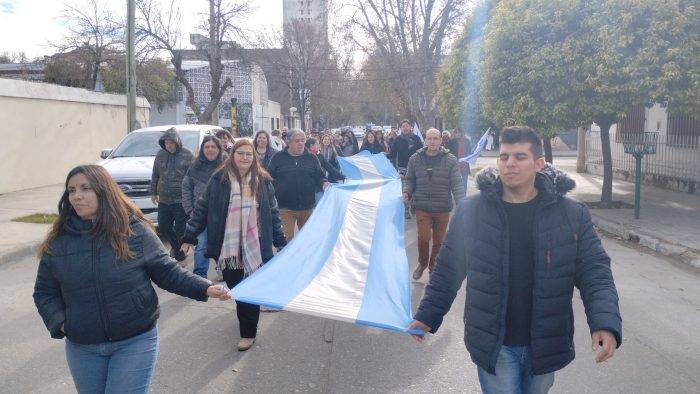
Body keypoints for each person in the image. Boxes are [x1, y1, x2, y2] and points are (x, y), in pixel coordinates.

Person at [408, 126, 622, 394]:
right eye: (504, 156)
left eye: (520, 156)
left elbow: (595, 272)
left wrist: (604, 322)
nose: (509, 163)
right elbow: (448, 270)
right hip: (495, 342)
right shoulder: (472, 212)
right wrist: (428, 314)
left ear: (539, 163)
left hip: (545, 340)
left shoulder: (571, 215)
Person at [33, 165, 229, 393]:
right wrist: (62, 323)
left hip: (134, 341)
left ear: (103, 191)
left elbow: (168, 271)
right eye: (71, 190)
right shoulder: (59, 241)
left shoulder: (134, 231)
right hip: (82, 346)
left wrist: (205, 287)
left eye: (85, 188)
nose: (77, 196)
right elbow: (44, 292)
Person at [181, 139, 287, 351]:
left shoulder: (263, 181)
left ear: (254, 157)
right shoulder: (219, 180)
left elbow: (272, 213)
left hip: (256, 245)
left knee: (250, 288)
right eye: (241, 153)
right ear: (233, 155)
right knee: (237, 287)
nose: (245, 157)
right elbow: (202, 208)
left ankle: (248, 333)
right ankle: (245, 313)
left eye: (249, 154)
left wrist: (280, 240)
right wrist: (188, 237)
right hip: (228, 247)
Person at [404, 128, 465, 280]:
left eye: (435, 138)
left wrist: (462, 203)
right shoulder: (415, 159)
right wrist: (407, 192)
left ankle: (433, 268)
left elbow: (457, 183)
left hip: (442, 207)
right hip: (422, 206)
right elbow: (410, 179)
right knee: (424, 237)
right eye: (429, 138)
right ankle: (422, 263)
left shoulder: (450, 159)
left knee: (439, 241)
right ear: (425, 140)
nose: (432, 141)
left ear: (440, 140)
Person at [267, 129, 328, 240]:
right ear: (289, 142)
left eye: (302, 141)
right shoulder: (277, 158)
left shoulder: (312, 158)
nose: (300, 143)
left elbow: (320, 176)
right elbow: (268, 178)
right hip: (284, 207)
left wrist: (324, 183)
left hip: (307, 207)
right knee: (286, 240)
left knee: (307, 240)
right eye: (297, 141)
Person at [181, 136, 225, 278]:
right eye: (207, 147)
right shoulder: (194, 167)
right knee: (201, 246)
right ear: (202, 149)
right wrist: (190, 210)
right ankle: (199, 276)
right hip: (200, 215)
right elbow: (186, 188)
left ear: (219, 149)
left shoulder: (227, 166)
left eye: (213, 147)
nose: (210, 149)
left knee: (223, 244)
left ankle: (224, 271)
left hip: (222, 214)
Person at [150, 127, 193, 262]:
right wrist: (153, 192)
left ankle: (180, 254)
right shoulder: (160, 155)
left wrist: (192, 196)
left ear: (177, 142)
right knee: (163, 226)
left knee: (181, 229)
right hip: (164, 199)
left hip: (181, 199)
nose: (169, 145)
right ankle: (176, 247)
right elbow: (155, 174)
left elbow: (193, 176)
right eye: (167, 143)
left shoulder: (188, 155)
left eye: (171, 143)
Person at [390, 119, 424, 219]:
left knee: (415, 188)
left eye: (407, 126)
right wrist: (383, 155)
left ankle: (413, 206)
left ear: (410, 127)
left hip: (415, 167)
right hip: (402, 169)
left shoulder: (416, 138)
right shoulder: (397, 140)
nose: (405, 128)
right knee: (405, 190)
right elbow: (392, 154)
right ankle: (405, 210)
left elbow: (421, 152)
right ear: (400, 128)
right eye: (403, 126)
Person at [306, 137, 345, 203]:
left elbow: (330, 168)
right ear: (311, 146)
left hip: (318, 188)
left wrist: (343, 177)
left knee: (319, 207)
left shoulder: (320, 156)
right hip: (307, 190)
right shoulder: (304, 157)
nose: (319, 145)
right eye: (317, 144)